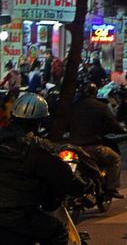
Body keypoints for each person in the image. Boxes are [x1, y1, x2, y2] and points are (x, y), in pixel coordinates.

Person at [0, 94, 90, 244]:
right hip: (19, 215)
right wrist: (85, 185)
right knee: (59, 233)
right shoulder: (38, 148)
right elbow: (65, 178)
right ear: (39, 121)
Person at [68, 82, 127, 199]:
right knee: (115, 159)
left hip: (73, 146)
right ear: (95, 93)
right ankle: (111, 188)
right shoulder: (101, 107)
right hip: (93, 147)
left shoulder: (72, 106)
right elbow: (113, 125)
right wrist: (122, 130)